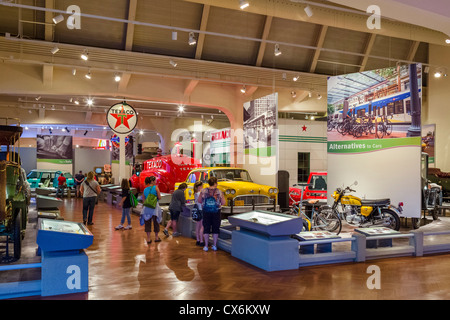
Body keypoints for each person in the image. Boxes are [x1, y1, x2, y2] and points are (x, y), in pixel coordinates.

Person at [197, 177, 225, 252]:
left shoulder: (203, 191)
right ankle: (214, 245)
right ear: (215, 183)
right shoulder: (219, 191)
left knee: (206, 228)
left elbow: (199, 200)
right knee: (215, 228)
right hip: (216, 212)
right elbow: (223, 202)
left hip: (206, 211)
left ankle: (206, 246)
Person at [142, 176, 161, 244]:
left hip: (147, 208)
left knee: (147, 222)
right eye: (155, 180)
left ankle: (148, 239)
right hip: (155, 208)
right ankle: (156, 237)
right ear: (152, 181)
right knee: (156, 222)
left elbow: (143, 199)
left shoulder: (145, 189)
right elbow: (159, 197)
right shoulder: (156, 187)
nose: (156, 182)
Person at [193, 181, 204, 247]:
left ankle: (197, 240)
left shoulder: (195, 193)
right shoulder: (200, 193)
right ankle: (202, 241)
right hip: (201, 210)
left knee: (197, 226)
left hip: (197, 210)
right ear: (199, 186)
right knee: (202, 226)